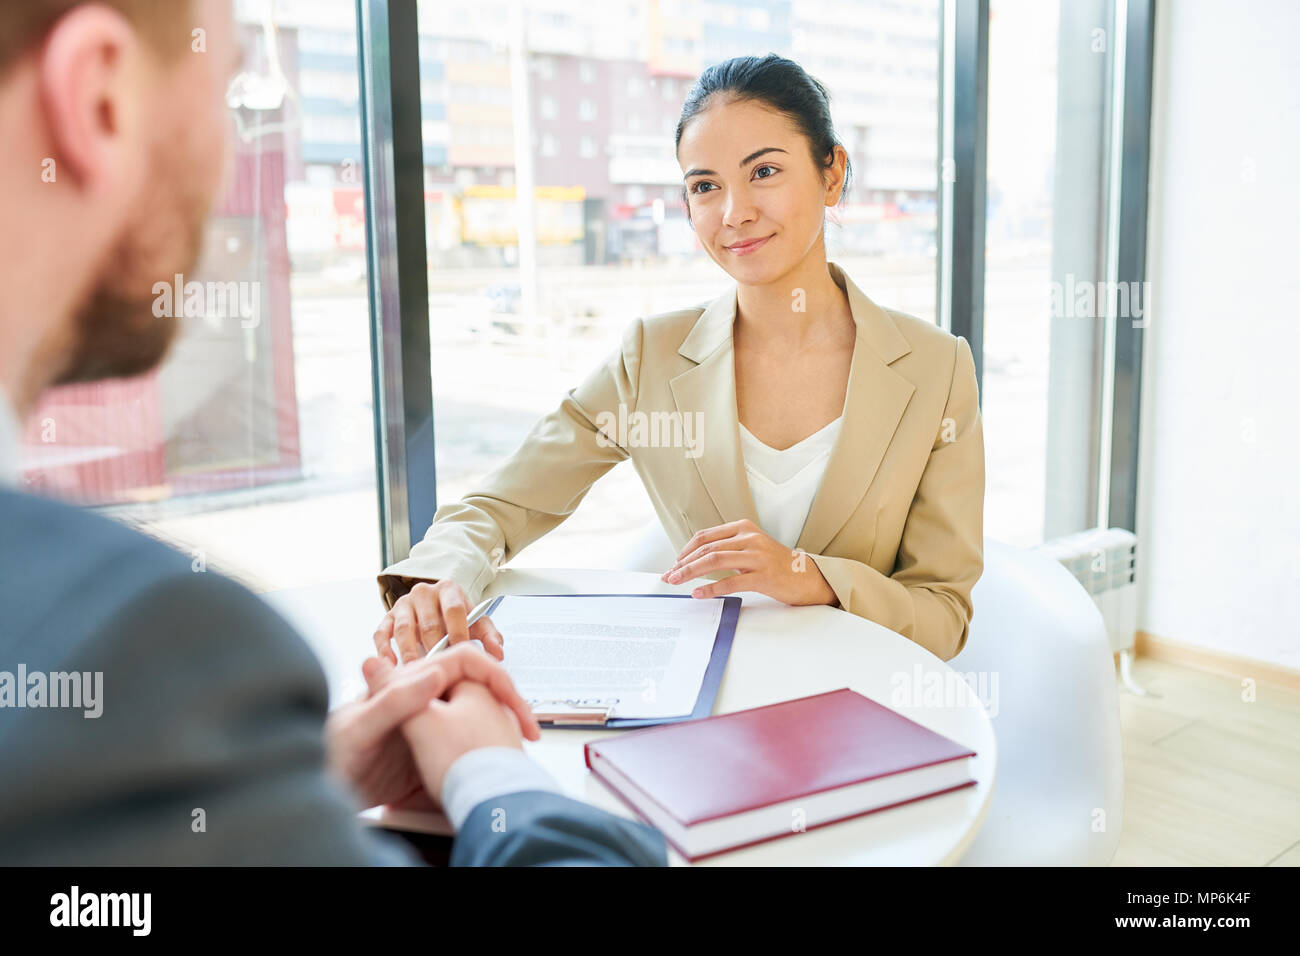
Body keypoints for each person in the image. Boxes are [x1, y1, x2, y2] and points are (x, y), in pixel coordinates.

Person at [0, 0, 665, 867]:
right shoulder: (139, 646)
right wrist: (494, 778)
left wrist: (290, 786)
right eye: (231, 94)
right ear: (99, 100)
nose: (234, 145)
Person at [374, 54, 985, 664]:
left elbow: (943, 615)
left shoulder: (935, 370)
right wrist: (432, 581)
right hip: (703, 703)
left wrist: (812, 578)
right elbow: (498, 508)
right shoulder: (651, 360)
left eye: (764, 171)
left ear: (832, 174)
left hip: (859, 703)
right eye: (705, 186)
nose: (733, 213)